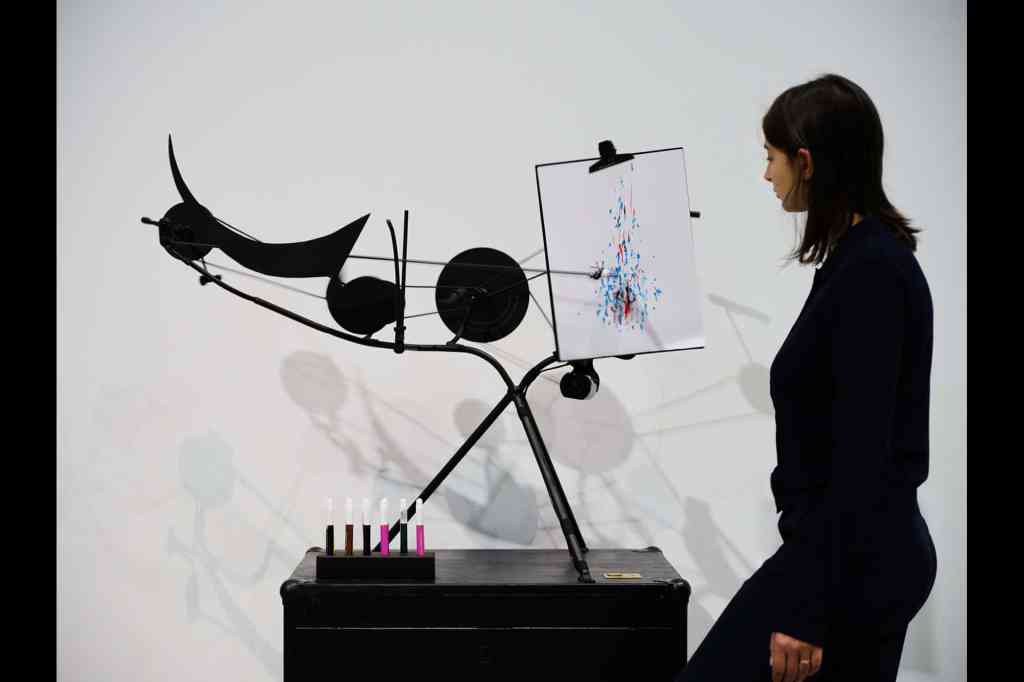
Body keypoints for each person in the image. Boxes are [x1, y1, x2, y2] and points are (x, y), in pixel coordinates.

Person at [673, 74, 938, 682]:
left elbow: (860, 457)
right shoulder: (857, 260)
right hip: (849, 555)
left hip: (855, 565)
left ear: (807, 161)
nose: (766, 174)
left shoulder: (872, 272)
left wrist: (808, 610)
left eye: (771, 157)